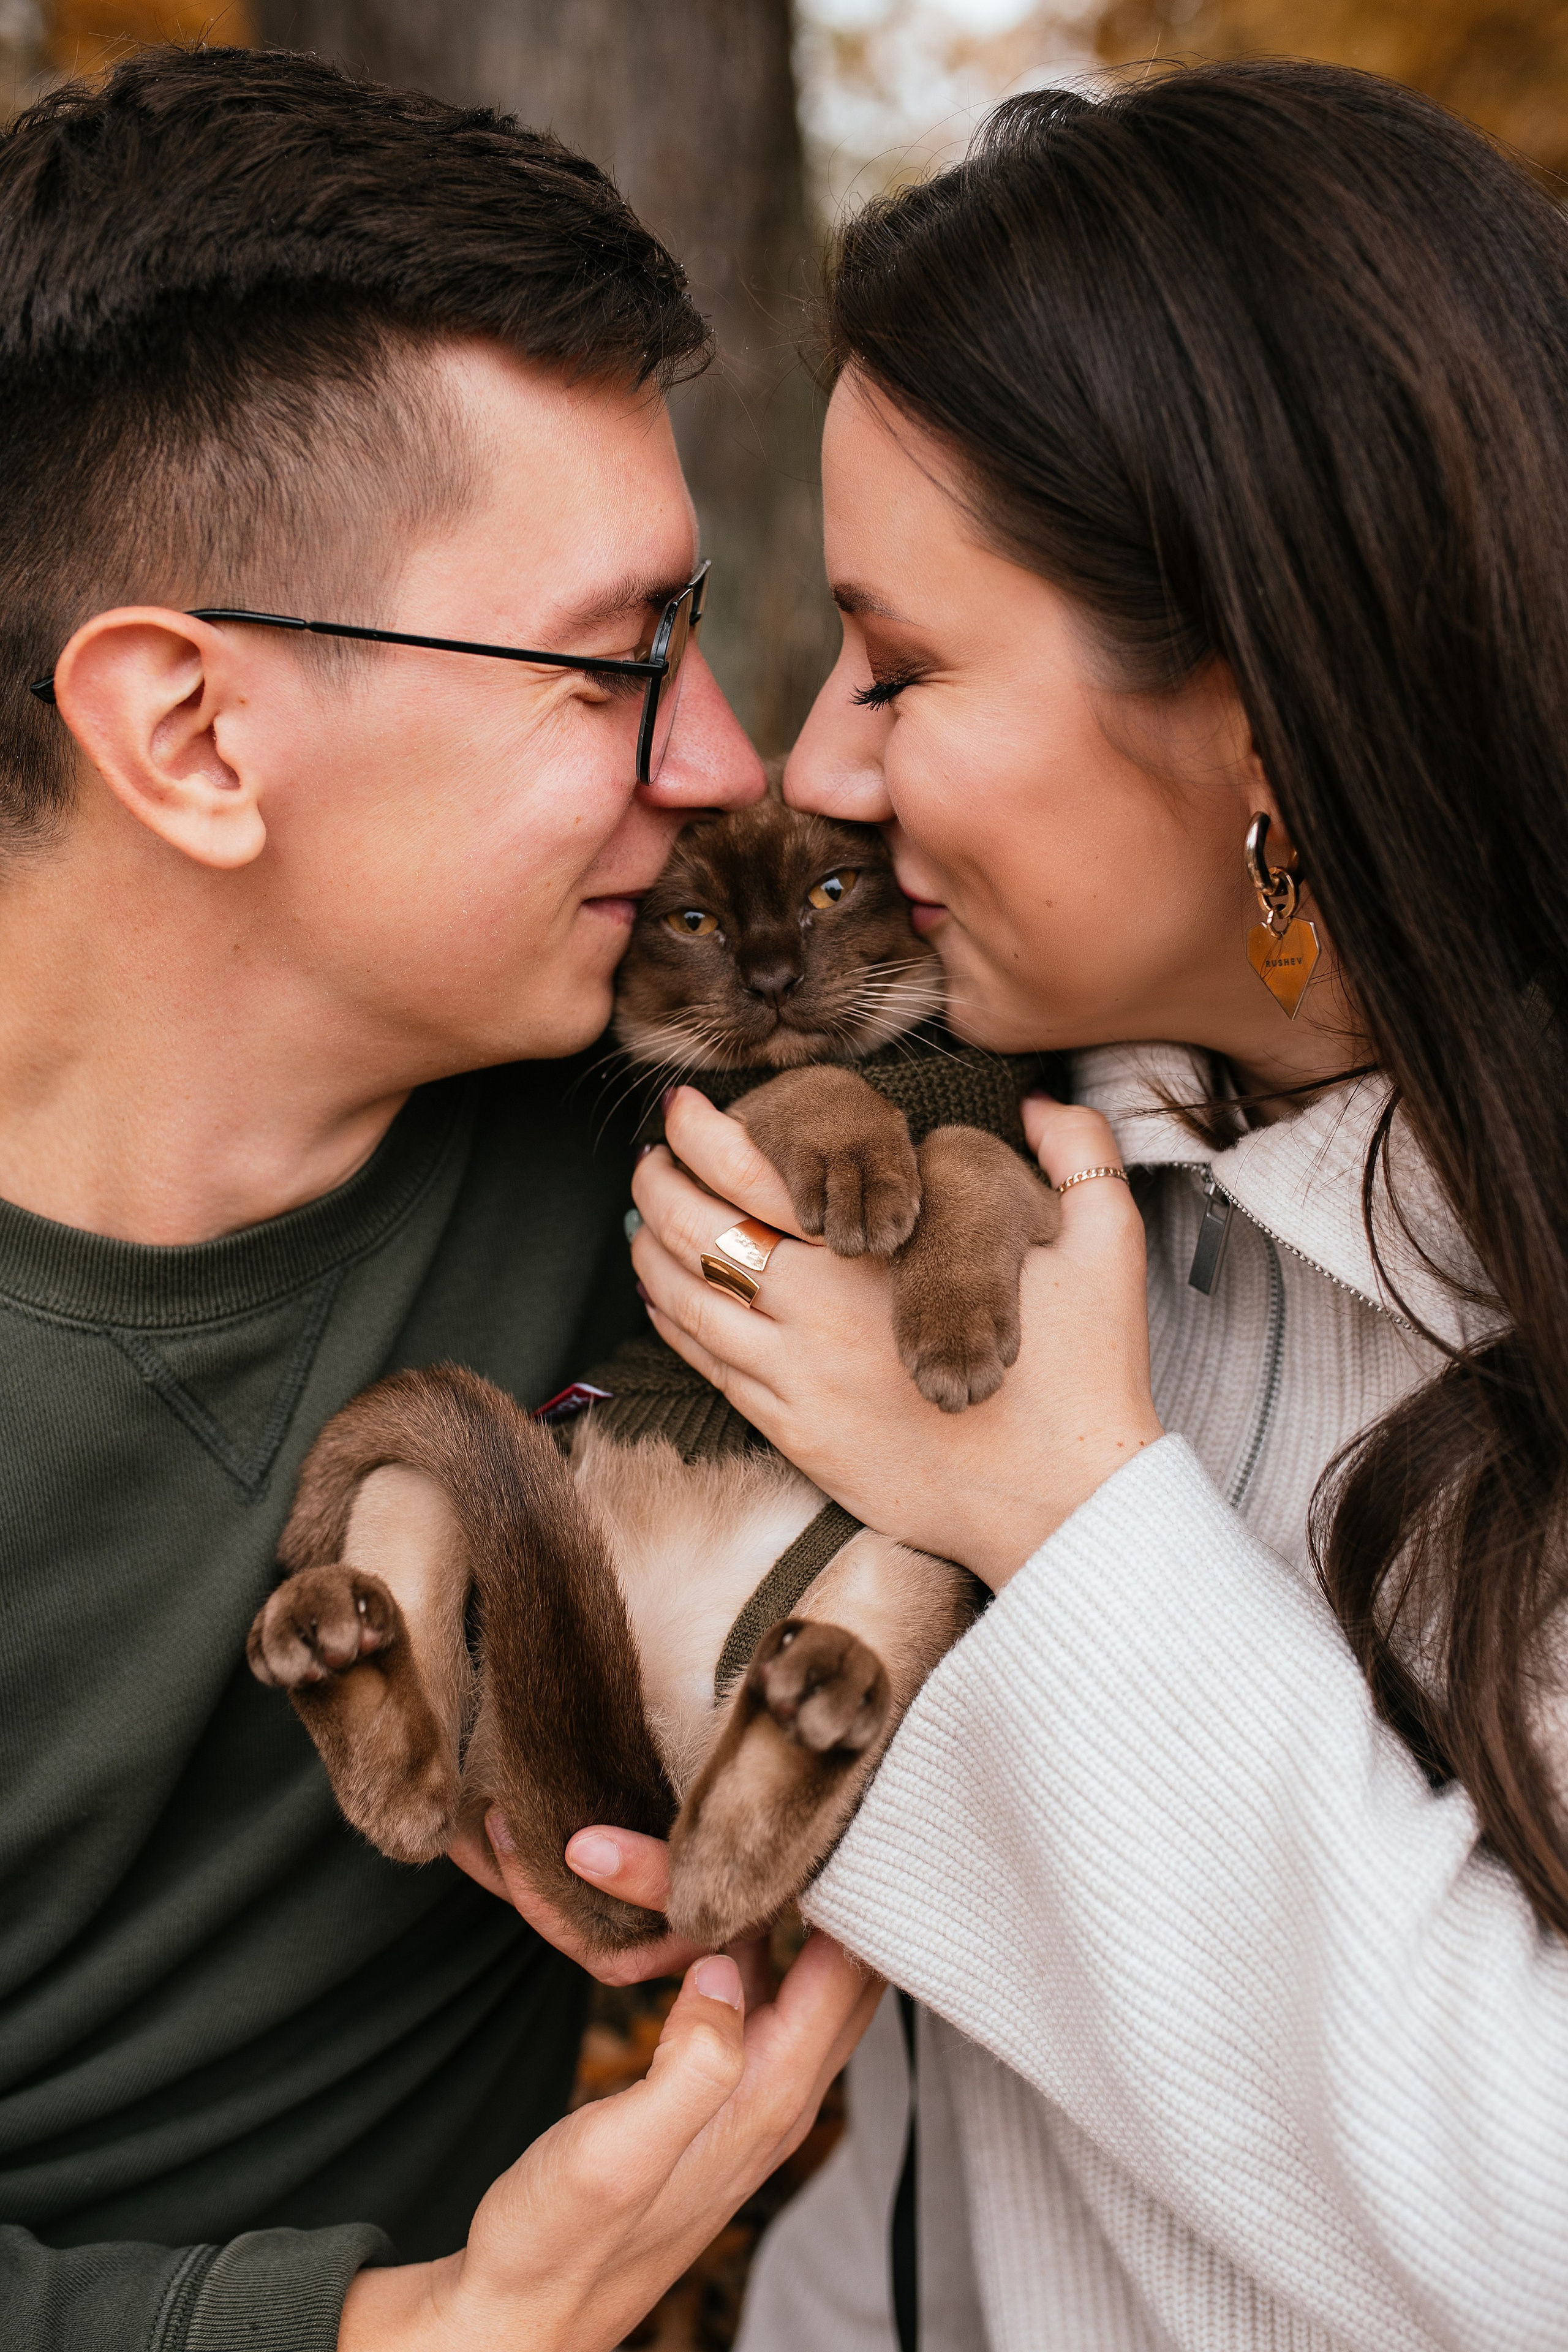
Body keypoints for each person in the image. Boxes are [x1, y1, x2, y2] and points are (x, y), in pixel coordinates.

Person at [500, 59, 1568, 2351]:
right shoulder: (1035, 1150)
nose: (811, 765)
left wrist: (1064, 1518)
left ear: (1265, 718)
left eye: (901, 665)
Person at [0, 45, 878, 2352]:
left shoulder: (656, 1079)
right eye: (617, 662)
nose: (728, 765)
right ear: (192, 737)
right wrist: (424, 2335)